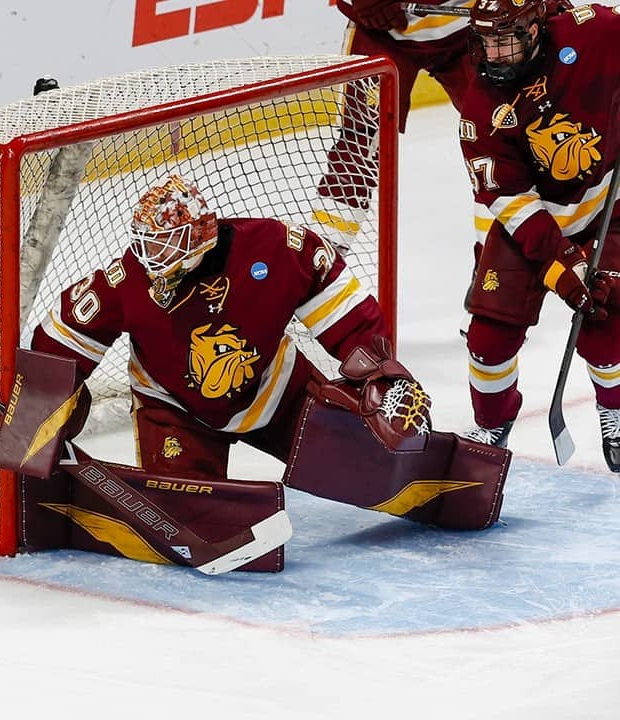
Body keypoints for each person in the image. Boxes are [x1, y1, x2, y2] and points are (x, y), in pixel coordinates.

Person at [30, 173, 414, 483]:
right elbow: (63, 333)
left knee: (366, 466)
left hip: (275, 391)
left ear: (201, 232)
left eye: (165, 244)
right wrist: (40, 405)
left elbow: (338, 298)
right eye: (148, 244)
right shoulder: (129, 280)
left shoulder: (271, 247)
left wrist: (381, 376)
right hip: (175, 410)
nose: (152, 257)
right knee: (185, 508)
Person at [455, 0, 620, 473]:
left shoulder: (595, 34)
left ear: (536, 28)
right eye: (487, 40)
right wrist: (562, 262)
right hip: (527, 226)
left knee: (607, 320)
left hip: (607, 203)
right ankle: (492, 423)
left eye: (507, 37)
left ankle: (616, 409)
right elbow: (512, 202)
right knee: (489, 337)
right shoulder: (480, 110)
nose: (496, 52)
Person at [314, 0, 476, 247]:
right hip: (381, 35)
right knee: (359, 149)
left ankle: (501, 258)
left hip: (473, 27)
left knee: (504, 134)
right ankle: (323, 259)